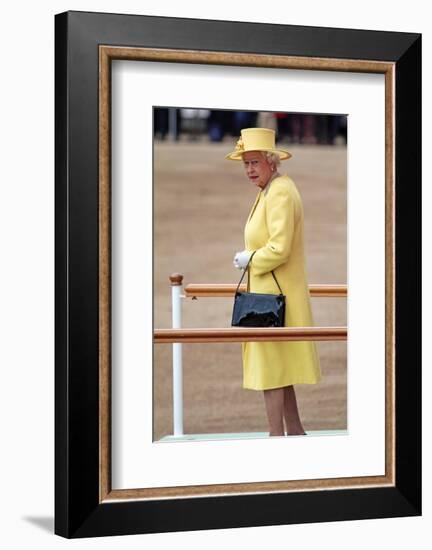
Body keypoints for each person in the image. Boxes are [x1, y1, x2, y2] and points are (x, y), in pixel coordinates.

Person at [225, 127, 321, 437]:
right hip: (268, 298)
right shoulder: (270, 190)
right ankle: (294, 432)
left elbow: (280, 247)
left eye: (254, 162)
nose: (249, 170)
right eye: (245, 164)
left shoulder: (280, 191)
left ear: (271, 161)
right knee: (279, 371)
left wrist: (248, 259)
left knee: (270, 372)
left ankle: (275, 438)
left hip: (274, 301)